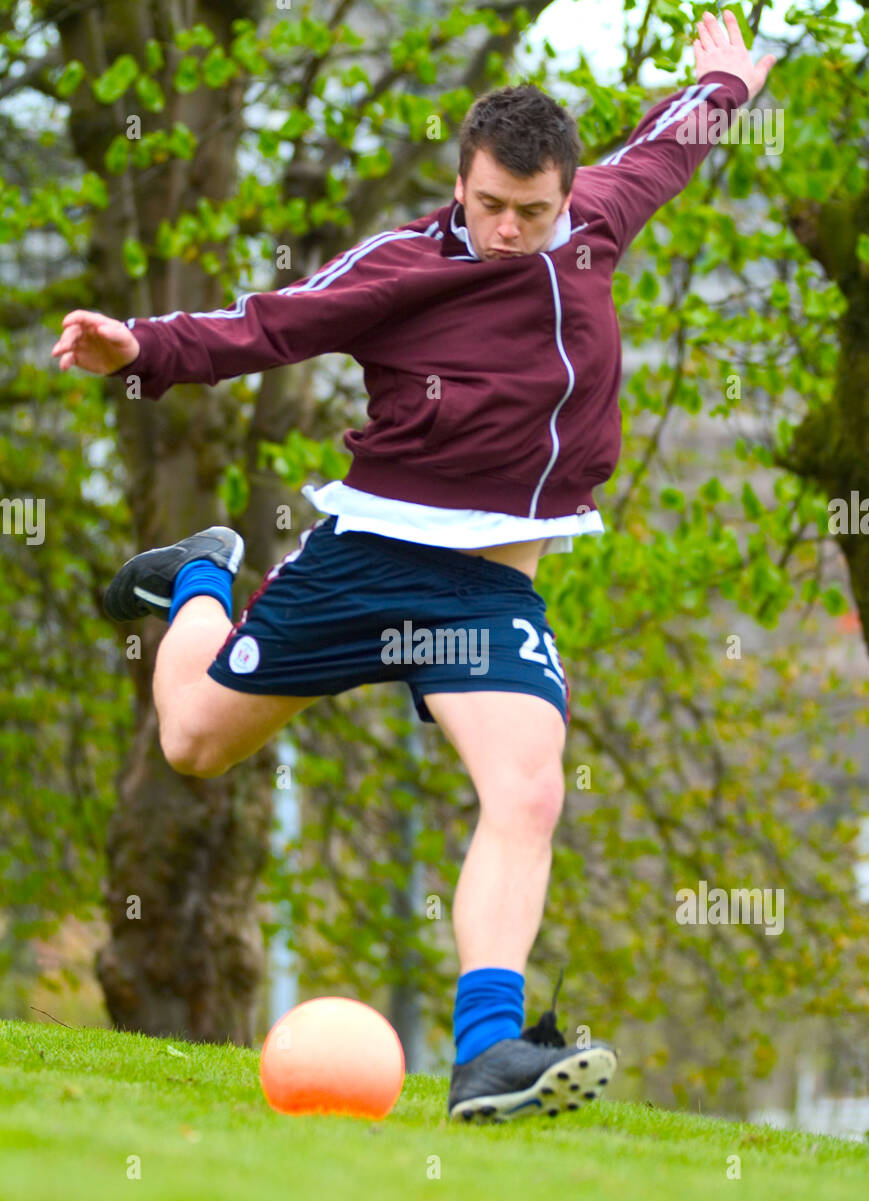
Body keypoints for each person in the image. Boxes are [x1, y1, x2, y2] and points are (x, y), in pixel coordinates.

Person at [52, 12, 774, 1122]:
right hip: (369, 558)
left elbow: (666, 144)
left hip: (487, 591)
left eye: (533, 211)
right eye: (488, 205)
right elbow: (266, 325)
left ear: (566, 195)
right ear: (460, 180)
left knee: (528, 785)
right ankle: (200, 574)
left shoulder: (594, 223)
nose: (509, 229)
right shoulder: (400, 267)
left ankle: (486, 1053)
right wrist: (140, 347)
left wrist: (724, 84)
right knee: (192, 743)